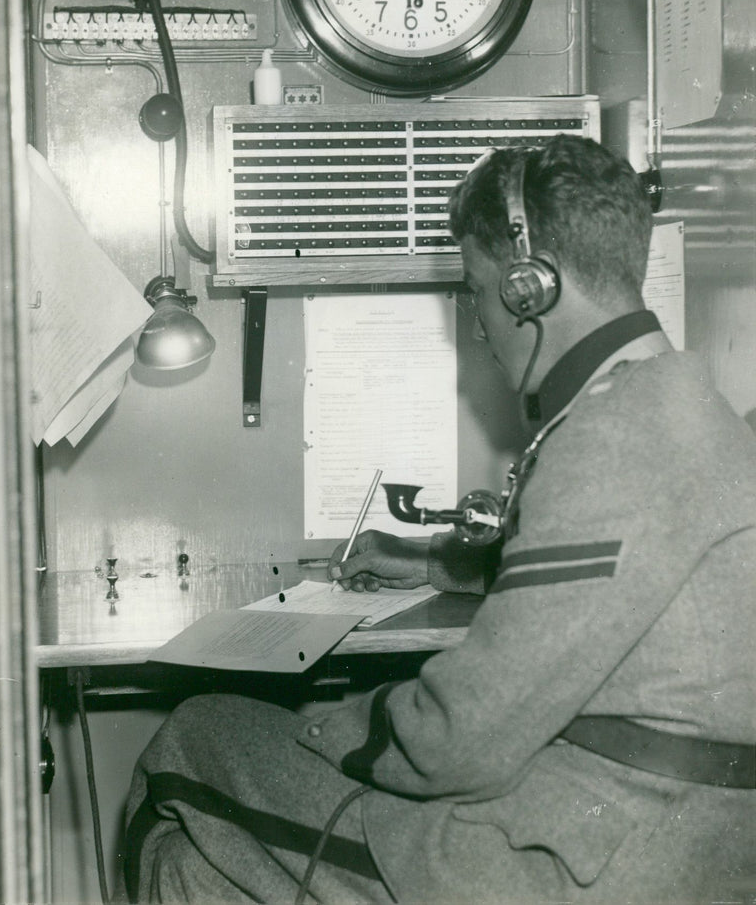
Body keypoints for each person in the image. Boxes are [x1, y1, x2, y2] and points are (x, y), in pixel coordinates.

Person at [122, 135, 756, 904]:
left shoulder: (612, 439)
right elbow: (612, 581)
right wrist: (434, 562)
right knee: (196, 866)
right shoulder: (684, 406)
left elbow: (461, 737)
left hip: (573, 865)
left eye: (477, 289)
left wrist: (329, 724)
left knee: (192, 736)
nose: (479, 327)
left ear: (529, 287)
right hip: (675, 841)